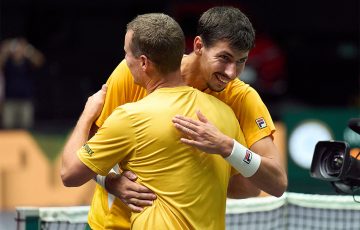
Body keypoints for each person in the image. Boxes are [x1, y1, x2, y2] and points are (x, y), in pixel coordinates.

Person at [86, 6, 287, 229]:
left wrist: (227, 147)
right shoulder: (137, 69)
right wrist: (110, 180)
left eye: (241, 61)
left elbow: (275, 183)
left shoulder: (243, 99)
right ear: (199, 46)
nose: (231, 73)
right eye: (224, 58)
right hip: (110, 225)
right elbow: (90, 144)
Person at [0, 37, 45, 129]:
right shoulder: (8, 62)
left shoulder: (27, 62)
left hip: (26, 101)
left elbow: (40, 61)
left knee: (26, 128)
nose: (17, 51)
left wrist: (29, 50)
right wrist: (5, 51)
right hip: (10, 101)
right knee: (8, 128)